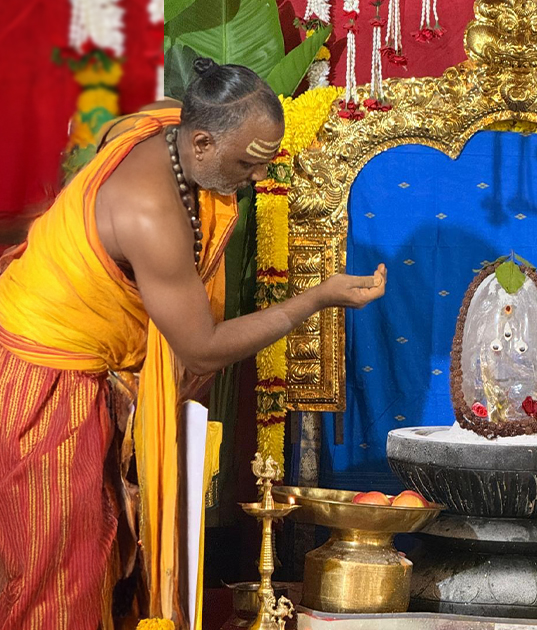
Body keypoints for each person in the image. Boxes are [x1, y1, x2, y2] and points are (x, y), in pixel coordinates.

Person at [0, 59, 387, 629]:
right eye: (247, 162)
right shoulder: (150, 210)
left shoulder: (166, 124)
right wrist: (313, 300)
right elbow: (201, 349)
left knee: (105, 552)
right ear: (202, 140)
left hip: (85, 371)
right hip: (45, 378)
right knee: (59, 566)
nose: (257, 179)